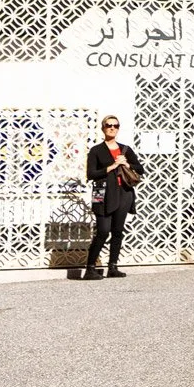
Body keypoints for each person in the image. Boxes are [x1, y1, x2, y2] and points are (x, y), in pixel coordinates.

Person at [83, 115, 143, 280]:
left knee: (117, 231)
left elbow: (140, 169)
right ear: (103, 128)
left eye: (115, 126)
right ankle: (90, 268)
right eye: (108, 125)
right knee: (102, 231)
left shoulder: (125, 149)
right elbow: (91, 174)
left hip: (123, 193)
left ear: (118, 128)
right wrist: (112, 166)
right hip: (102, 193)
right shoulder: (96, 150)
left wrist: (126, 164)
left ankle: (113, 267)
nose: (112, 128)